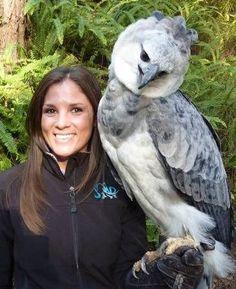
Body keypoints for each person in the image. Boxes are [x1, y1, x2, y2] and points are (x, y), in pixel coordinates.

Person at [0, 66, 204, 289]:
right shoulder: (8, 188)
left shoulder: (121, 182)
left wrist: (155, 280)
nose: (61, 122)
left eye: (76, 110)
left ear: (96, 116)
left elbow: (129, 275)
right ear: (38, 117)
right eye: (50, 110)